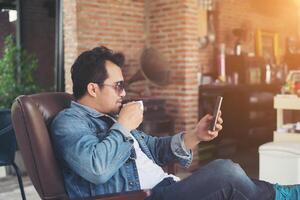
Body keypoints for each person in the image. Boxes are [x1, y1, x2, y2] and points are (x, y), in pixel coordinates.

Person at [50, 46, 300, 200]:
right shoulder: (69, 122)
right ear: (93, 88)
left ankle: (280, 193)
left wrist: (195, 135)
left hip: (168, 188)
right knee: (226, 171)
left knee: (238, 183)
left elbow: (157, 149)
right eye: (118, 86)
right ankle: (283, 195)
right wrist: (124, 127)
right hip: (145, 197)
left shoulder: (112, 118)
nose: (123, 93)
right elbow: (96, 168)